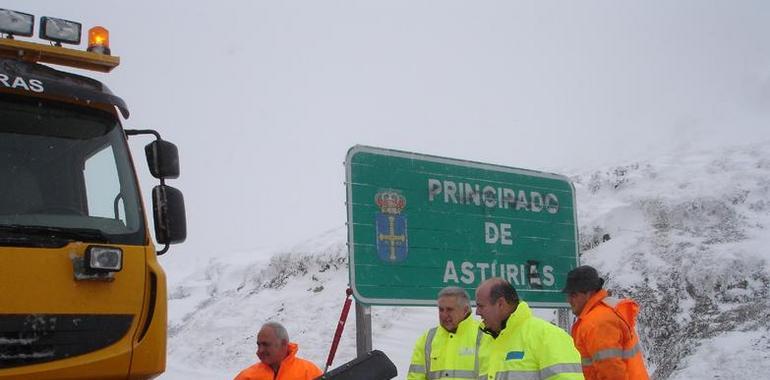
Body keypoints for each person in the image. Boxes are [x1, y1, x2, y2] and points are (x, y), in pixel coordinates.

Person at [475, 277, 584, 380]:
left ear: (500, 304)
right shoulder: (486, 342)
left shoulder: (547, 336)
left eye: (481, 306)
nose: (477, 312)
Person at [563, 265, 650, 380]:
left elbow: (612, 372)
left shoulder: (596, 322)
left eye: (573, 295)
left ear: (589, 293)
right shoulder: (603, 313)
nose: (568, 300)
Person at [407, 286, 492, 380]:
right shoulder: (427, 339)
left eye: (449, 310)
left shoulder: (485, 334)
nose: (444, 315)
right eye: (441, 310)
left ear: (465, 310)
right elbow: (415, 376)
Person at [234, 321, 322, 380]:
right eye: (258, 345)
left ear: (283, 344)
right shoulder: (247, 377)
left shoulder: (308, 372)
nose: (260, 351)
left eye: (266, 344)